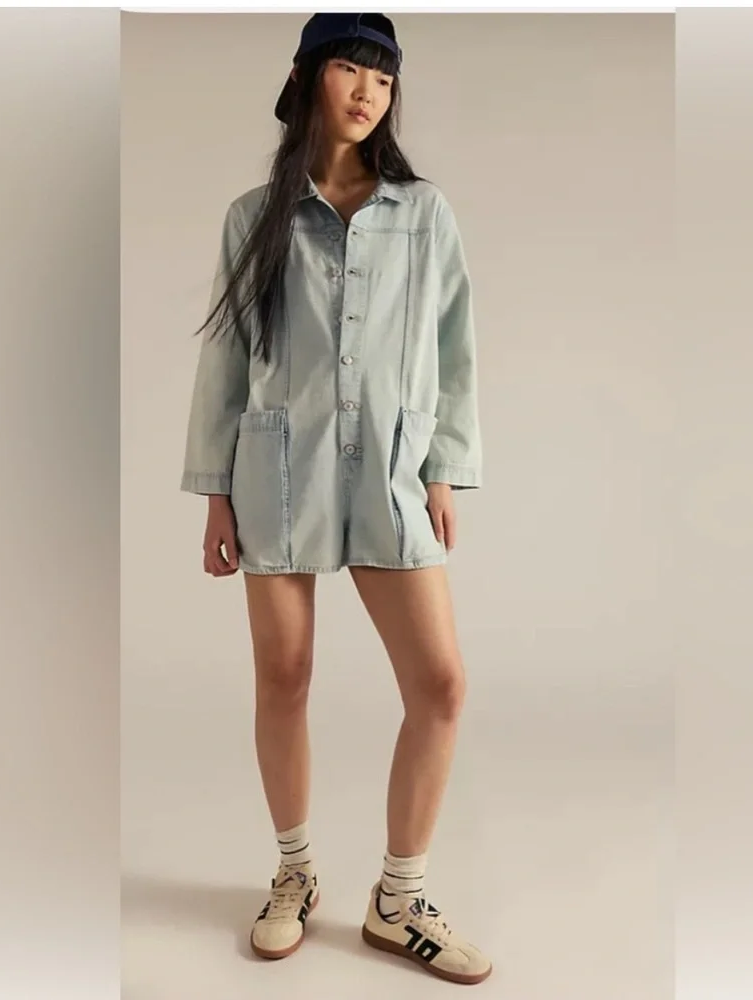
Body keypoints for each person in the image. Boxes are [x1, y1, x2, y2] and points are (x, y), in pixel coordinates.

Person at [180, 13, 490, 986]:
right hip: (277, 470)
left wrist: (442, 467)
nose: (367, 91)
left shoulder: (423, 213)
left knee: (440, 685)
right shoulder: (254, 216)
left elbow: (453, 347)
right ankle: (295, 873)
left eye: (384, 78)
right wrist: (215, 494)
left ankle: (399, 900)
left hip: (390, 472)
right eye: (351, 68)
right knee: (285, 676)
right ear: (310, 75)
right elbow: (226, 359)